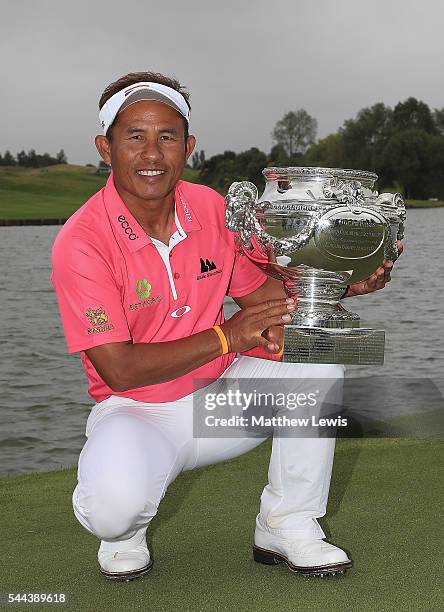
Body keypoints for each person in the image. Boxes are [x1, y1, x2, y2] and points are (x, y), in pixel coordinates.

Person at [51, 71, 401, 582]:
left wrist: (339, 286)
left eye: (167, 137)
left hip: (220, 404)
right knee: (112, 509)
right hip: (136, 411)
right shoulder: (81, 240)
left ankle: (287, 523)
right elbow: (119, 369)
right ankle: (124, 531)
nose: (153, 153)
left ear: (188, 146)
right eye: (135, 137)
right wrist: (227, 336)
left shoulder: (210, 208)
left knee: (315, 346)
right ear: (105, 148)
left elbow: (264, 300)